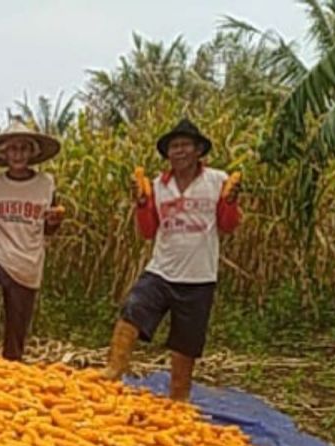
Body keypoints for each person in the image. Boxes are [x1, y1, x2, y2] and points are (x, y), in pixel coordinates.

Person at [102, 118, 241, 401]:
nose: (178, 151)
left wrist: (230, 202)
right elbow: (148, 231)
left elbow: (228, 226)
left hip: (199, 276)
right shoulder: (158, 186)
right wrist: (141, 204)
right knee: (133, 308)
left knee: (185, 343)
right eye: (173, 147)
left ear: (198, 150)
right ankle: (113, 373)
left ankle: (179, 398)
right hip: (161, 270)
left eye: (184, 145)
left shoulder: (217, 181)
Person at [0, 120, 65, 361]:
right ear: (4, 153)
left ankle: (8, 378)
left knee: (15, 343)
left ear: (31, 153)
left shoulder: (45, 185)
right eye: (13, 149)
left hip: (28, 264)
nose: (18, 154)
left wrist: (55, 220)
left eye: (23, 148)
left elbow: (49, 230)